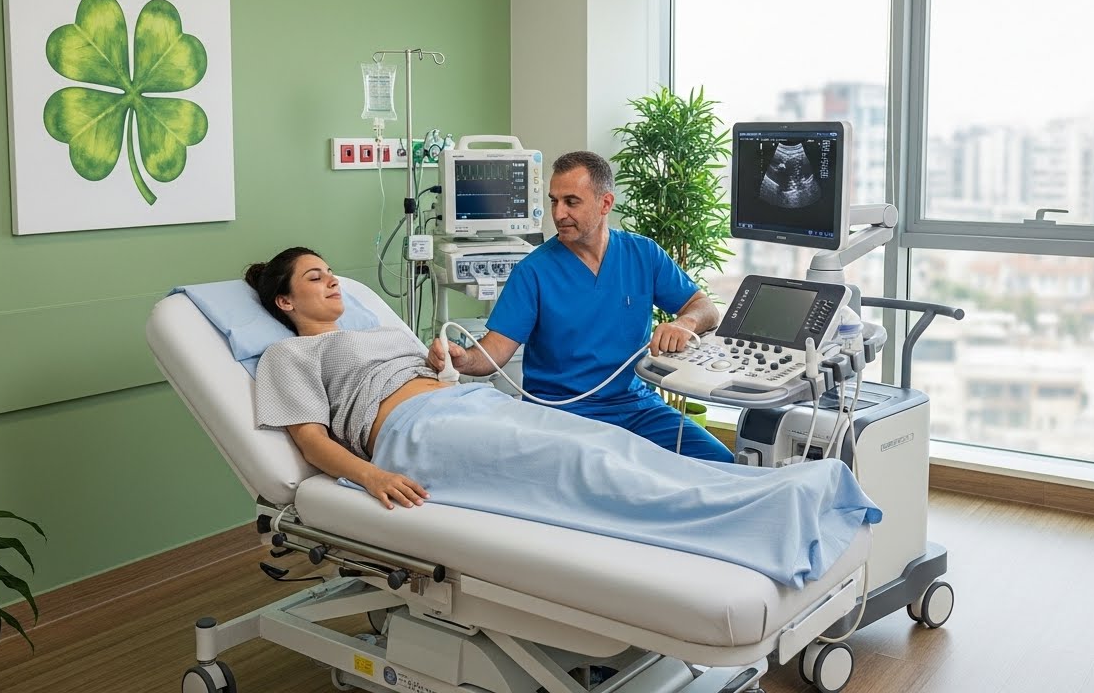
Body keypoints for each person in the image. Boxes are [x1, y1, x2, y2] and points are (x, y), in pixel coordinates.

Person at [242, 246, 880, 588]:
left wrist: (440, 362)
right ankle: (771, 515)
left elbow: (701, 305)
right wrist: (371, 476)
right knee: (587, 462)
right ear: (284, 301)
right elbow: (309, 439)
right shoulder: (287, 355)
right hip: (415, 435)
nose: (333, 282)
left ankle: (783, 492)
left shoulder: (381, 329)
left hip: (469, 405)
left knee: (619, 450)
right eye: (315, 278)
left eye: (331, 273)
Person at [425, 150, 734, 462]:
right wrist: (463, 359)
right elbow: (495, 351)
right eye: (554, 201)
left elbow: (705, 307)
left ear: (605, 203)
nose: (558, 213)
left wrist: (684, 324)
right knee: (605, 475)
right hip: (562, 414)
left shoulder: (643, 255)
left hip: (637, 408)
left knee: (719, 461)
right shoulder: (534, 272)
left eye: (571, 202)